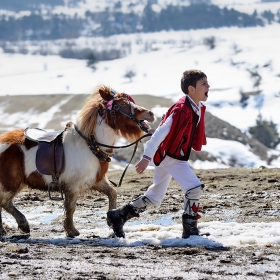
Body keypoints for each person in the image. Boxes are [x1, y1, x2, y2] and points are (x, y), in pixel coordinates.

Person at [107, 69, 210, 238]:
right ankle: (190, 230)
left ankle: (118, 216)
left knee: (155, 196)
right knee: (194, 188)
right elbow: (160, 133)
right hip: (171, 157)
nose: (208, 86)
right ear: (191, 89)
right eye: (204, 84)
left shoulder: (192, 107)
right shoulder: (182, 109)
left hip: (169, 156)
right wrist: (146, 158)